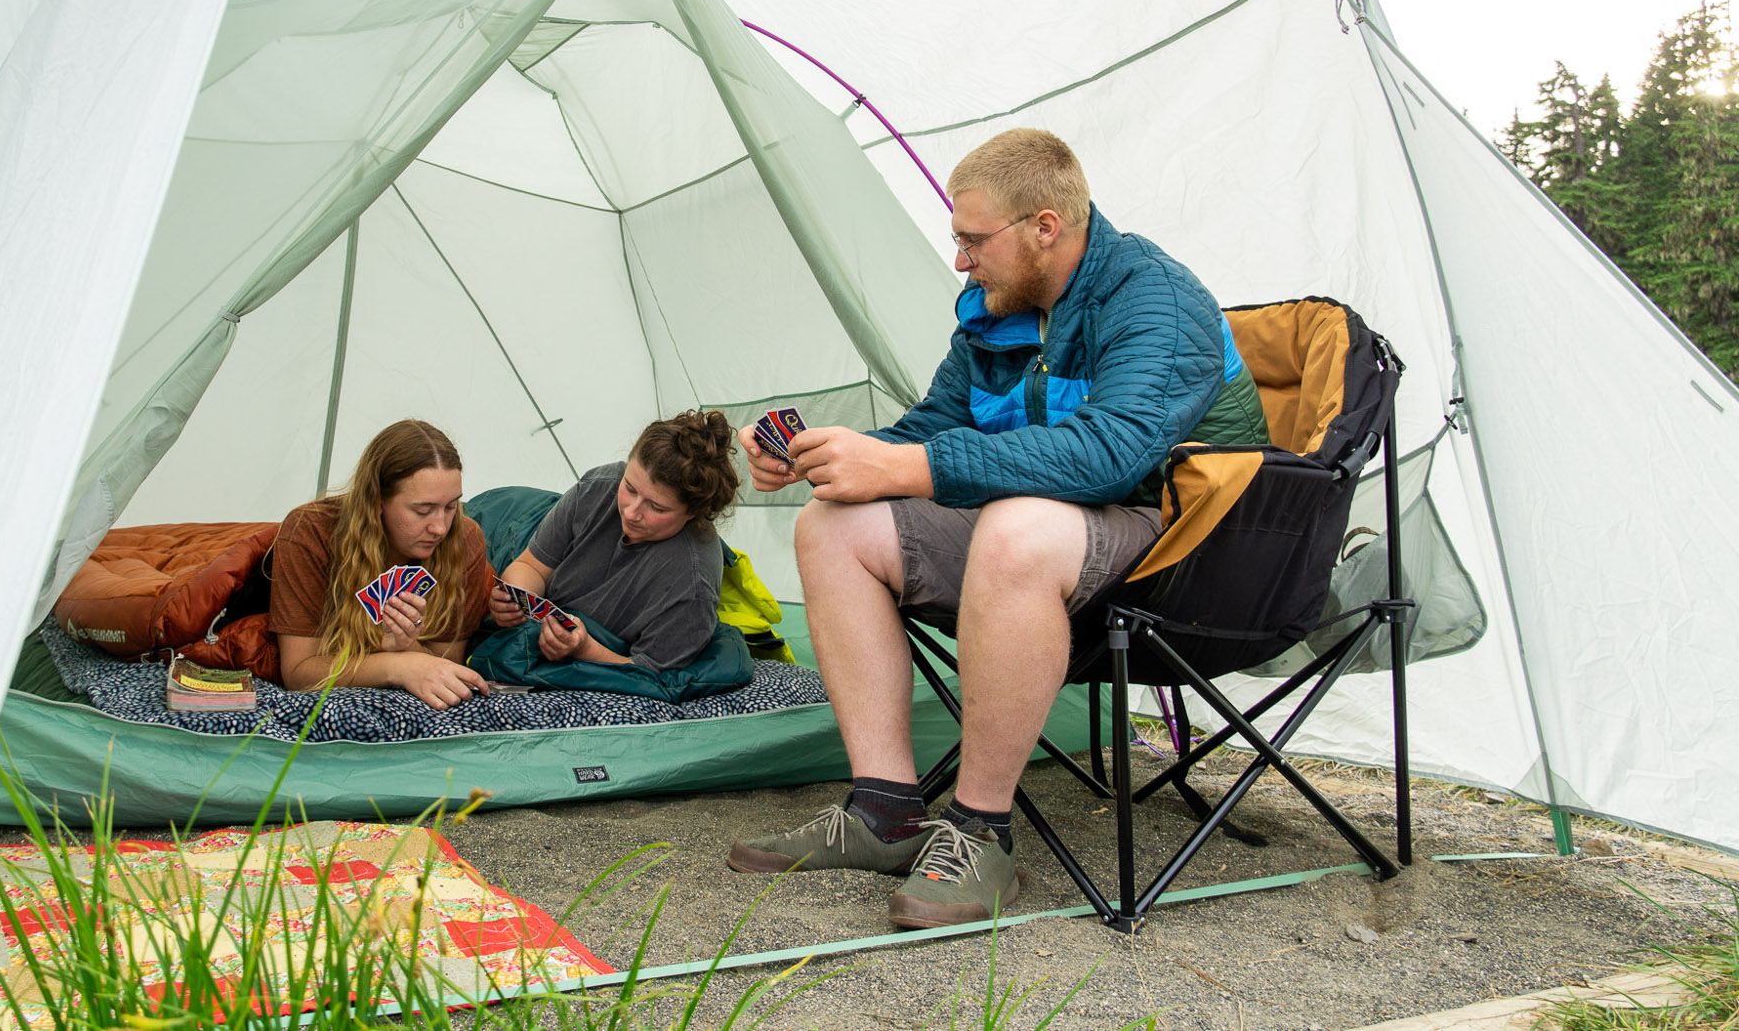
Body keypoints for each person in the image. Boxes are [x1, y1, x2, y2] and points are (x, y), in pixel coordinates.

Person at [726, 127, 1268, 928]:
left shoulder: (1157, 299)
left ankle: (981, 829)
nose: (961, 261)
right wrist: (831, 457)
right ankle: (886, 811)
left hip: (1182, 542)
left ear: (1045, 227)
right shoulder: (994, 313)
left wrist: (907, 469)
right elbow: (937, 426)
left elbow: (1110, 456)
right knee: (832, 524)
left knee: (1015, 526)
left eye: (973, 240)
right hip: (1056, 534)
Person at [269, 419, 499, 709]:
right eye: (423, 510)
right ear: (375, 500)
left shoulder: (464, 539)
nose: (440, 527)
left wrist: (405, 647)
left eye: (451, 506)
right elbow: (298, 674)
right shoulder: (310, 530)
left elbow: (445, 666)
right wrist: (397, 665)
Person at [488, 411, 738, 671]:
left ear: (692, 513)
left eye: (656, 507)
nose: (631, 512)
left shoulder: (692, 584)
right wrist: (516, 599)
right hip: (517, 516)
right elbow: (530, 566)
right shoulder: (599, 486)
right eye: (629, 488)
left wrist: (585, 649)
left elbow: (651, 672)